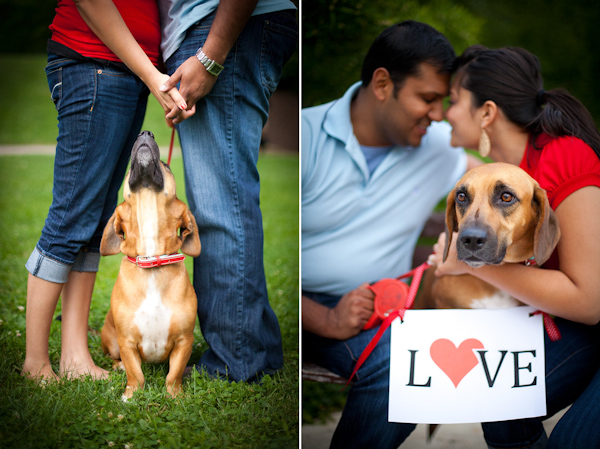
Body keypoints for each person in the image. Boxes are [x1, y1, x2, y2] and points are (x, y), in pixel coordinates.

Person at [302, 21, 480, 448]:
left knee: (419, 366)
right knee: (402, 367)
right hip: (296, 305)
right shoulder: (307, 137)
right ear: (382, 84)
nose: (438, 114)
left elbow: (507, 183)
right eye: (427, 98)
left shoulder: (437, 145)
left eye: (443, 101)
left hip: (381, 309)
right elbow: (257, 260)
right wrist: (325, 319)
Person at [435, 44, 600, 448]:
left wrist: (471, 263)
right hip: (571, 325)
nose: (443, 113)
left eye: (453, 101)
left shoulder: (565, 158)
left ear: (487, 113)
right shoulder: (501, 176)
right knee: (500, 398)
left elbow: (590, 300)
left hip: (588, 316)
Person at [22, 0, 192, 382]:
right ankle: (35, 362)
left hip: (125, 71)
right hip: (94, 62)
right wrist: (153, 76)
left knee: (95, 218)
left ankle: (74, 356)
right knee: (71, 217)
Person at [157, 0, 298, 382]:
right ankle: (258, 350)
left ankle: (235, 360)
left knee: (221, 208)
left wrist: (210, 57)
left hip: (221, 32)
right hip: (230, 31)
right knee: (229, 198)